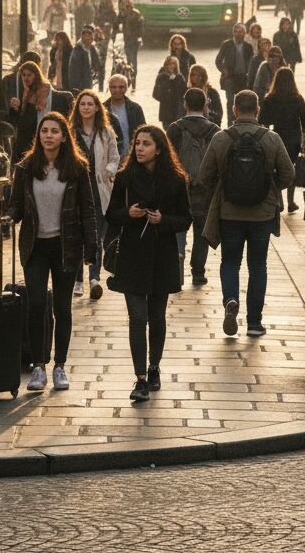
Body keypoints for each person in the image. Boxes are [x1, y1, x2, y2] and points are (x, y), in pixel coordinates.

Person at [9, 112, 98, 393]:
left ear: (63, 136)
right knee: (36, 305)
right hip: (35, 246)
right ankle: (38, 367)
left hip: (66, 245)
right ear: (39, 136)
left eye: (54, 131)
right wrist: (8, 217)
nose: (48, 135)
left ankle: (60, 365)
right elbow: (16, 205)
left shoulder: (77, 168)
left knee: (62, 307)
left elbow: (88, 209)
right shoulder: (25, 168)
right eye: (44, 131)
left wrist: (92, 246)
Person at [198, 90, 295, 337]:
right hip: (261, 215)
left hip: (229, 212)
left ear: (234, 109)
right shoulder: (271, 138)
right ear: (258, 109)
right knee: (258, 265)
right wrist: (268, 189)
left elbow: (204, 175)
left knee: (230, 262)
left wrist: (224, 187)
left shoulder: (221, 138)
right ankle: (254, 322)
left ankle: (231, 299)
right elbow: (288, 174)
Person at [106, 124, 191, 401]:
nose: (140, 149)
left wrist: (162, 221)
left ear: (159, 149)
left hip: (162, 255)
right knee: (137, 318)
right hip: (131, 255)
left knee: (156, 318)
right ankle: (140, 378)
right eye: (138, 144)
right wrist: (127, 213)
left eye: (146, 144)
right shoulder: (125, 177)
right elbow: (111, 215)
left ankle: (154, 368)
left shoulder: (176, 180)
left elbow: (185, 218)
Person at [69, 88, 121, 300]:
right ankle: (78, 280)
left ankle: (94, 278)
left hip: (99, 189)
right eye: (83, 104)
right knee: (76, 236)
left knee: (96, 237)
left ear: (97, 107)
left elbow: (115, 158)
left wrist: (108, 171)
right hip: (75, 190)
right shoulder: (70, 131)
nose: (86, 107)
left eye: (90, 104)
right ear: (78, 108)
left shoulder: (106, 132)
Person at [168, 89, 220, 285]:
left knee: (178, 230)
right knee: (201, 232)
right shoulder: (214, 130)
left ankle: (177, 271)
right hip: (205, 190)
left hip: (180, 188)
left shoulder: (175, 129)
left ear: (185, 104)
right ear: (205, 105)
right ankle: (198, 273)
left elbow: (167, 159)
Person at [258, 66, 305, 214]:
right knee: (290, 167)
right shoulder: (297, 98)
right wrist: (304, 134)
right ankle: (291, 201)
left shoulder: (270, 98)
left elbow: (263, 120)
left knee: (276, 168)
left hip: (276, 135)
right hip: (293, 136)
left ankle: (279, 198)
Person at [13, 62, 74, 162]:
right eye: (23, 75)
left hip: (52, 139)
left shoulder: (47, 91)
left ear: (36, 75)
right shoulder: (26, 94)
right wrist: (15, 109)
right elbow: (23, 124)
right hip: (33, 141)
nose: (26, 78)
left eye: (29, 75)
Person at [214, 23, 254, 125]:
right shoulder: (227, 44)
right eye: (236, 31)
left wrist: (249, 74)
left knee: (243, 102)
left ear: (244, 33)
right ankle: (230, 124)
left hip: (243, 78)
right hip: (230, 78)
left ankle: (241, 123)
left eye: (240, 32)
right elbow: (218, 60)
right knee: (230, 102)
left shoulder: (248, 47)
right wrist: (224, 71)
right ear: (233, 32)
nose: (238, 34)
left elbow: (252, 62)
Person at [105, 74, 146, 157]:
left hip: (132, 157)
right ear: (109, 88)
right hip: (109, 158)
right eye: (114, 87)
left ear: (126, 88)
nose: (117, 90)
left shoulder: (136, 109)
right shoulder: (102, 109)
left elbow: (144, 133)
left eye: (121, 87)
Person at [114, 0, 145, 84]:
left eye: (127, 5)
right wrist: (120, 14)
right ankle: (129, 76)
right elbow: (117, 22)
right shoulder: (123, 13)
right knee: (128, 58)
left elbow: (141, 26)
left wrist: (139, 37)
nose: (126, 7)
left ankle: (133, 77)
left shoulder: (136, 13)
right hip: (127, 39)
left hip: (134, 39)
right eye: (124, 5)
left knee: (133, 58)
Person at [152, 55, 188, 130]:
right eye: (170, 64)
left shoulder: (180, 77)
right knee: (168, 132)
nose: (171, 66)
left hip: (178, 110)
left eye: (174, 64)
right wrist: (169, 85)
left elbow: (184, 92)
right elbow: (155, 94)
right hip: (166, 111)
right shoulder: (161, 77)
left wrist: (174, 82)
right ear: (166, 65)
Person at [67, 25, 102, 94]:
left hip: (88, 81)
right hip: (78, 84)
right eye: (88, 38)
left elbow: (97, 63)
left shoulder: (91, 48)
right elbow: (75, 70)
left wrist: (95, 71)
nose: (90, 40)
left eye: (91, 38)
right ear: (82, 38)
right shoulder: (77, 50)